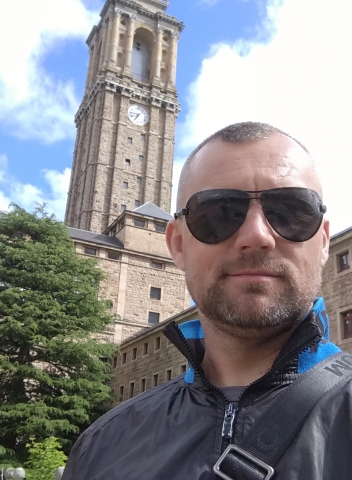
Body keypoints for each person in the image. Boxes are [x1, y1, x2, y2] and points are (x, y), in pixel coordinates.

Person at [62, 122, 352, 480]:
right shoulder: (101, 447)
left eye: (290, 211)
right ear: (178, 245)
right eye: (219, 214)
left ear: (323, 242)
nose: (256, 235)